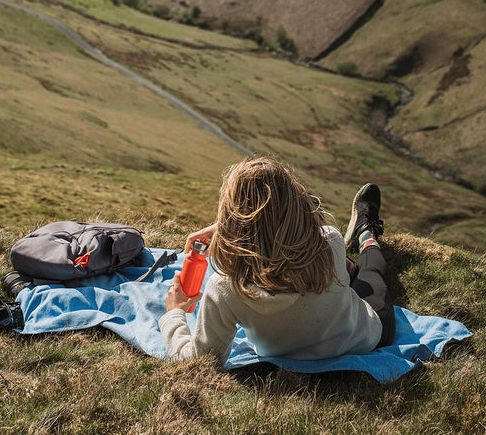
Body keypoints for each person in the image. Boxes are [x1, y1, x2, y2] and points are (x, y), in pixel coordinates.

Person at [159, 156, 395, 365]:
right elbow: (304, 213)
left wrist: (173, 314)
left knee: (350, 271)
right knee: (372, 273)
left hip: (282, 355)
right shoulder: (330, 241)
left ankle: (353, 258)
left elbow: (202, 361)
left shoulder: (224, 288)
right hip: (360, 340)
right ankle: (366, 235)